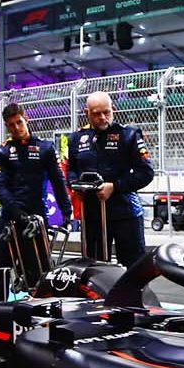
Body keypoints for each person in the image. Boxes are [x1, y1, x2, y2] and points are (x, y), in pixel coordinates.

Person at [0, 101, 69, 301]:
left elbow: (58, 181)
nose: (16, 128)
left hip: (36, 219)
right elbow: (0, 185)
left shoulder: (45, 148)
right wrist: (16, 211)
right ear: (6, 126)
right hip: (9, 217)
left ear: (27, 120)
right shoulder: (2, 152)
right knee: (1, 268)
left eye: (19, 122)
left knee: (39, 270)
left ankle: (40, 308)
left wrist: (66, 212)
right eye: (11, 125)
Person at [66, 91, 154, 265]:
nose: (102, 117)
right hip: (92, 214)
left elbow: (146, 173)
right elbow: (71, 169)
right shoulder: (76, 139)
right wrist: (76, 186)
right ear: (87, 113)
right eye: (96, 113)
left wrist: (114, 186)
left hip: (125, 212)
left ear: (113, 109)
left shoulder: (128, 135)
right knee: (94, 268)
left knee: (133, 268)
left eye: (106, 112)